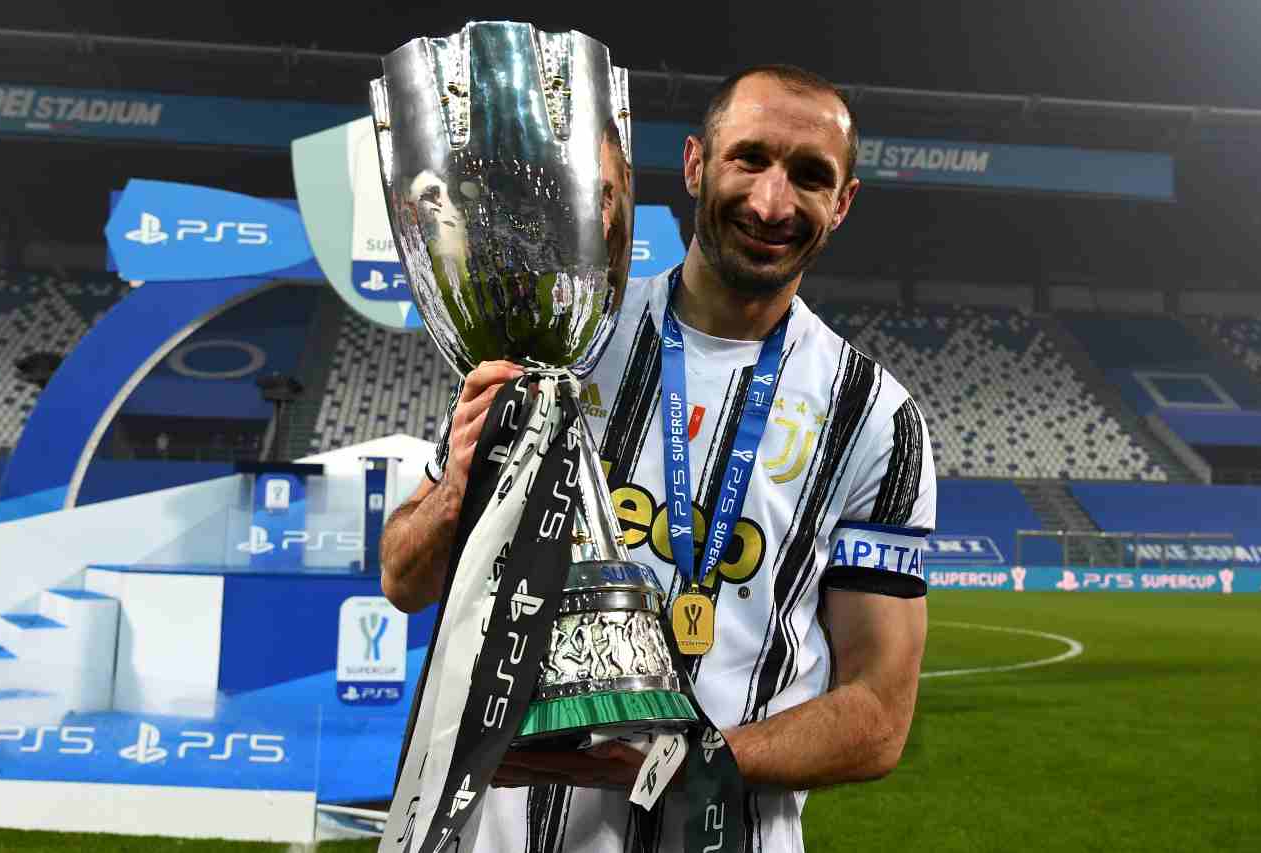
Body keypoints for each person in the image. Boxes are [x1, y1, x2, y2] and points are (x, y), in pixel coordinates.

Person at [380, 64, 936, 853]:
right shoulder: (559, 339)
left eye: (810, 177)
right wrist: (455, 490)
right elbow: (405, 580)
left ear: (841, 203)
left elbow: (878, 716)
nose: (773, 203)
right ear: (694, 165)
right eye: (749, 158)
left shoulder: (876, 418)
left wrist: (675, 763)